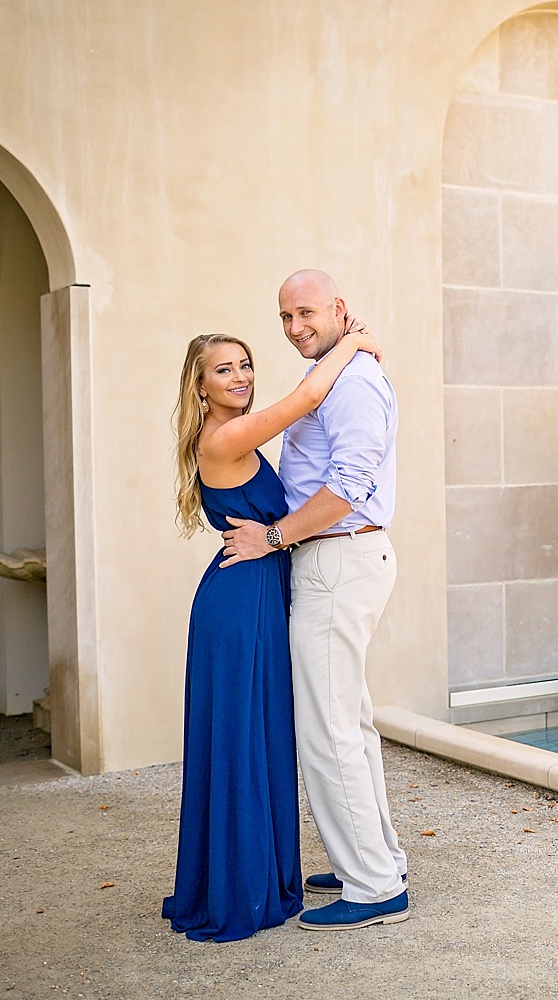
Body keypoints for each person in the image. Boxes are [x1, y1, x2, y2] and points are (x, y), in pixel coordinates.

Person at [162, 324, 378, 942]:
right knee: (240, 738)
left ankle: (260, 874)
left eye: (246, 365)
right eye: (224, 370)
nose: (241, 377)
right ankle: (239, 888)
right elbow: (307, 400)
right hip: (237, 602)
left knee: (262, 733)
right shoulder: (226, 436)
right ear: (200, 388)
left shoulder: (234, 435)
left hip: (257, 591)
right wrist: (351, 343)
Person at [219, 269, 409, 932]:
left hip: (336, 560)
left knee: (327, 729)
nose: (296, 327)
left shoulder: (351, 383)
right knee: (350, 722)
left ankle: (375, 886)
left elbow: (348, 487)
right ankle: (377, 857)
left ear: (338, 309)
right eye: (285, 318)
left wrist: (273, 537)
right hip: (339, 560)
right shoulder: (338, 369)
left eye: (307, 313)